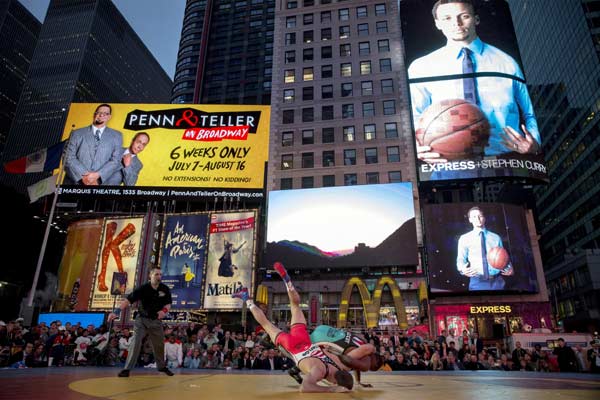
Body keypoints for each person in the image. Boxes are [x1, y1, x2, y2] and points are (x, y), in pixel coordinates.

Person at [408, 0, 540, 170]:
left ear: (476, 19)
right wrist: (416, 147)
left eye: (464, 16)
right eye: (447, 18)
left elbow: (530, 112)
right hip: (449, 164)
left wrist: (534, 142)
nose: (456, 23)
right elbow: (414, 117)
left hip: (506, 162)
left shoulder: (507, 63)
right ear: (438, 24)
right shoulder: (421, 67)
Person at [232, 262, 353, 393]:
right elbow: (305, 388)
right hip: (292, 346)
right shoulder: (320, 371)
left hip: (304, 340)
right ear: (335, 381)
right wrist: (332, 389)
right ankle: (247, 300)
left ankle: (287, 281)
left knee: (295, 306)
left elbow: (342, 357)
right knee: (266, 324)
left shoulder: (339, 365)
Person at [108, 266, 174, 377]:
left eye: (160, 275)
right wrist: (116, 311)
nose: (159, 277)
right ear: (150, 276)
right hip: (142, 320)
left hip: (156, 321)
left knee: (159, 345)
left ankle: (162, 367)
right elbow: (128, 300)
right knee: (135, 343)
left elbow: (168, 304)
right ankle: (127, 369)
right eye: (156, 274)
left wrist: (164, 311)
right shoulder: (143, 288)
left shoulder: (165, 289)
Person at [63, 104, 124, 185]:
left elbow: (115, 160)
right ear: (94, 114)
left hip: (101, 185)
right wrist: (84, 177)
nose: (101, 115)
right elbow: (68, 157)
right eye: (98, 112)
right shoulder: (76, 133)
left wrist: (97, 176)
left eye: (105, 113)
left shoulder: (117, 136)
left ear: (109, 117)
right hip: (75, 184)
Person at [456, 206, 513, 290]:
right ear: (470, 220)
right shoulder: (464, 238)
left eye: (480, 216)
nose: (478, 219)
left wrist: (510, 268)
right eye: (474, 217)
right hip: (477, 282)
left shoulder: (496, 237)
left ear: (484, 218)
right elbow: (461, 259)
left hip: (497, 281)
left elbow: (504, 257)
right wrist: (462, 269)